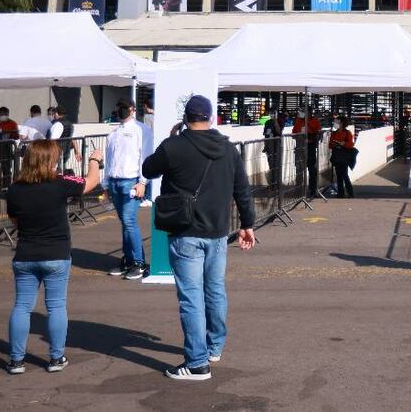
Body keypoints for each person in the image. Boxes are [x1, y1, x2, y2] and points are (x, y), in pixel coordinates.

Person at [141, 96, 256, 381]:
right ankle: (213, 347)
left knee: (191, 297)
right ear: (212, 117)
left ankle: (196, 363)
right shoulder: (228, 149)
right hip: (217, 232)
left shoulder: (174, 146)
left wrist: (170, 139)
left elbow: (148, 169)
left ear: (186, 116)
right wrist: (248, 224)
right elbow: (242, 189)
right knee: (215, 290)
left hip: (185, 232)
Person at [5, 141, 105, 374]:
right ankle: (56, 357)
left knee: (22, 306)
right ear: (50, 161)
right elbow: (91, 182)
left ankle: (16, 360)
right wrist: (94, 161)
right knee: (56, 306)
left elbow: (14, 220)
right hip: (56, 254)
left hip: (26, 254)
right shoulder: (60, 183)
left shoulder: (15, 188)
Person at [104, 99, 153, 280]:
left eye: (124, 108)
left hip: (130, 181)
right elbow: (110, 159)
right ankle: (129, 260)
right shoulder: (114, 133)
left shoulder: (141, 130)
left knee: (128, 220)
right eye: (119, 108)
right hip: (115, 181)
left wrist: (142, 182)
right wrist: (106, 183)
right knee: (125, 223)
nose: (121, 111)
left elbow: (146, 156)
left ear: (132, 110)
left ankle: (138, 263)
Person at [293, 108, 322, 198]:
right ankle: (299, 189)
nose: (300, 113)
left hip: (310, 147)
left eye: (302, 112)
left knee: (312, 169)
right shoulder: (298, 120)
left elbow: (318, 133)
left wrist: (310, 135)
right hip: (300, 147)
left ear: (308, 113)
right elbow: (294, 132)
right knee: (299, 168)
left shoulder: (314, 121)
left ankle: (312, 189)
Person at [46, 107, 81, 172]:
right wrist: (77, 152)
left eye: (53, 114)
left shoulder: (58, 124)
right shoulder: (70, 124)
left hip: (56, 153)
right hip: (66, 152)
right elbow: (73, 139)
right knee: (62, 171)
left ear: (56, 113)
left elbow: (52, 141)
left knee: (53, 171)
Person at [329, 116, 356, 198]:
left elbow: (351, 145)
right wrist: (335, 144)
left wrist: (343, 144)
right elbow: (330, 145)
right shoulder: (334, 133)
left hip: (344, 157)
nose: (335, 123)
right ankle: (341, 193)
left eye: (337, 122)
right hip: (337, 156)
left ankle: (350, 192)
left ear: (342, 123)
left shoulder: (347, 133)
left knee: (344, 175)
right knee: (338, 175)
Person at [262, 106, 285, 188]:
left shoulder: (280, 121)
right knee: (271, 165)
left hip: (277, 145)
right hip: (269, 145)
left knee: (277, 164)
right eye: (271, 113)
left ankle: (277, 183)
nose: (272, 115)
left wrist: (275, 121)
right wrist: (265, 146)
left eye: (274, 113)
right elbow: (266, 135)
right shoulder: (267, 122)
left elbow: (279, 131)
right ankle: (272, 183)